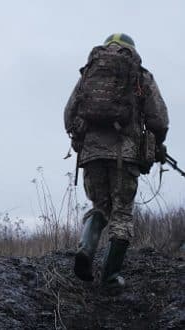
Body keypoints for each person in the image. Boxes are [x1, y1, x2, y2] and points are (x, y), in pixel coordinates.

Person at [64, 33, 169, 290]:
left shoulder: (89, 74)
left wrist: (81, 137)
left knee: (100, 206)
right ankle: (110, 277)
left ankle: (86, 250)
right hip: (125, 154)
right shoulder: (140, 76)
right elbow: (159, 120)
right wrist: (157, 144)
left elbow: (68, 115)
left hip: (91, 154)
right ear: (131, 51)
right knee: (122, 213)